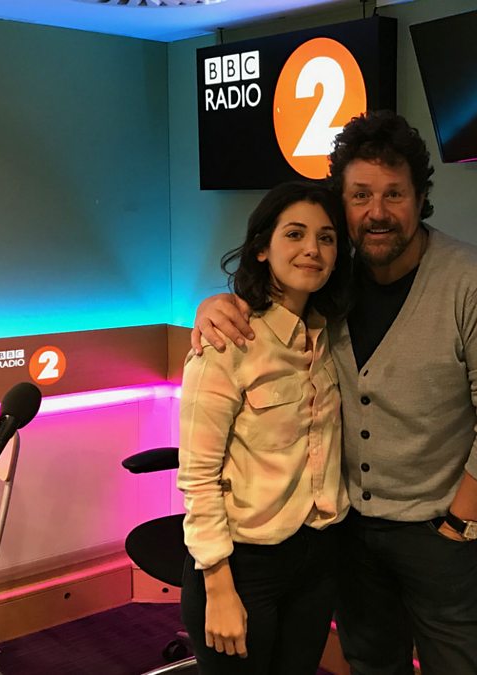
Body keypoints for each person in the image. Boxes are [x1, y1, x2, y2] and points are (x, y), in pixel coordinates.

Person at [191, 110, 477, 675]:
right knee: (372, 664)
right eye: (360, 196)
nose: (377, 211)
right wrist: (216, 304)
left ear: (420, 199)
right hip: (346, 535)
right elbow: (270, 304)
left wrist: (459, 525)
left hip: (440, 534)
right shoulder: (331, 281)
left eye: (394, 194)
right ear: (343, 203)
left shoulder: (476, 284)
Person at [177, 180, 353, 675]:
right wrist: (218, 586)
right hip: (242, 565)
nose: (312, 249)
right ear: (261, 248)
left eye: (326, 238)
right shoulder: (228, 341)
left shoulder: (332, 336)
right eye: (294, 234)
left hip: (317, 556)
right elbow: (198, 476)